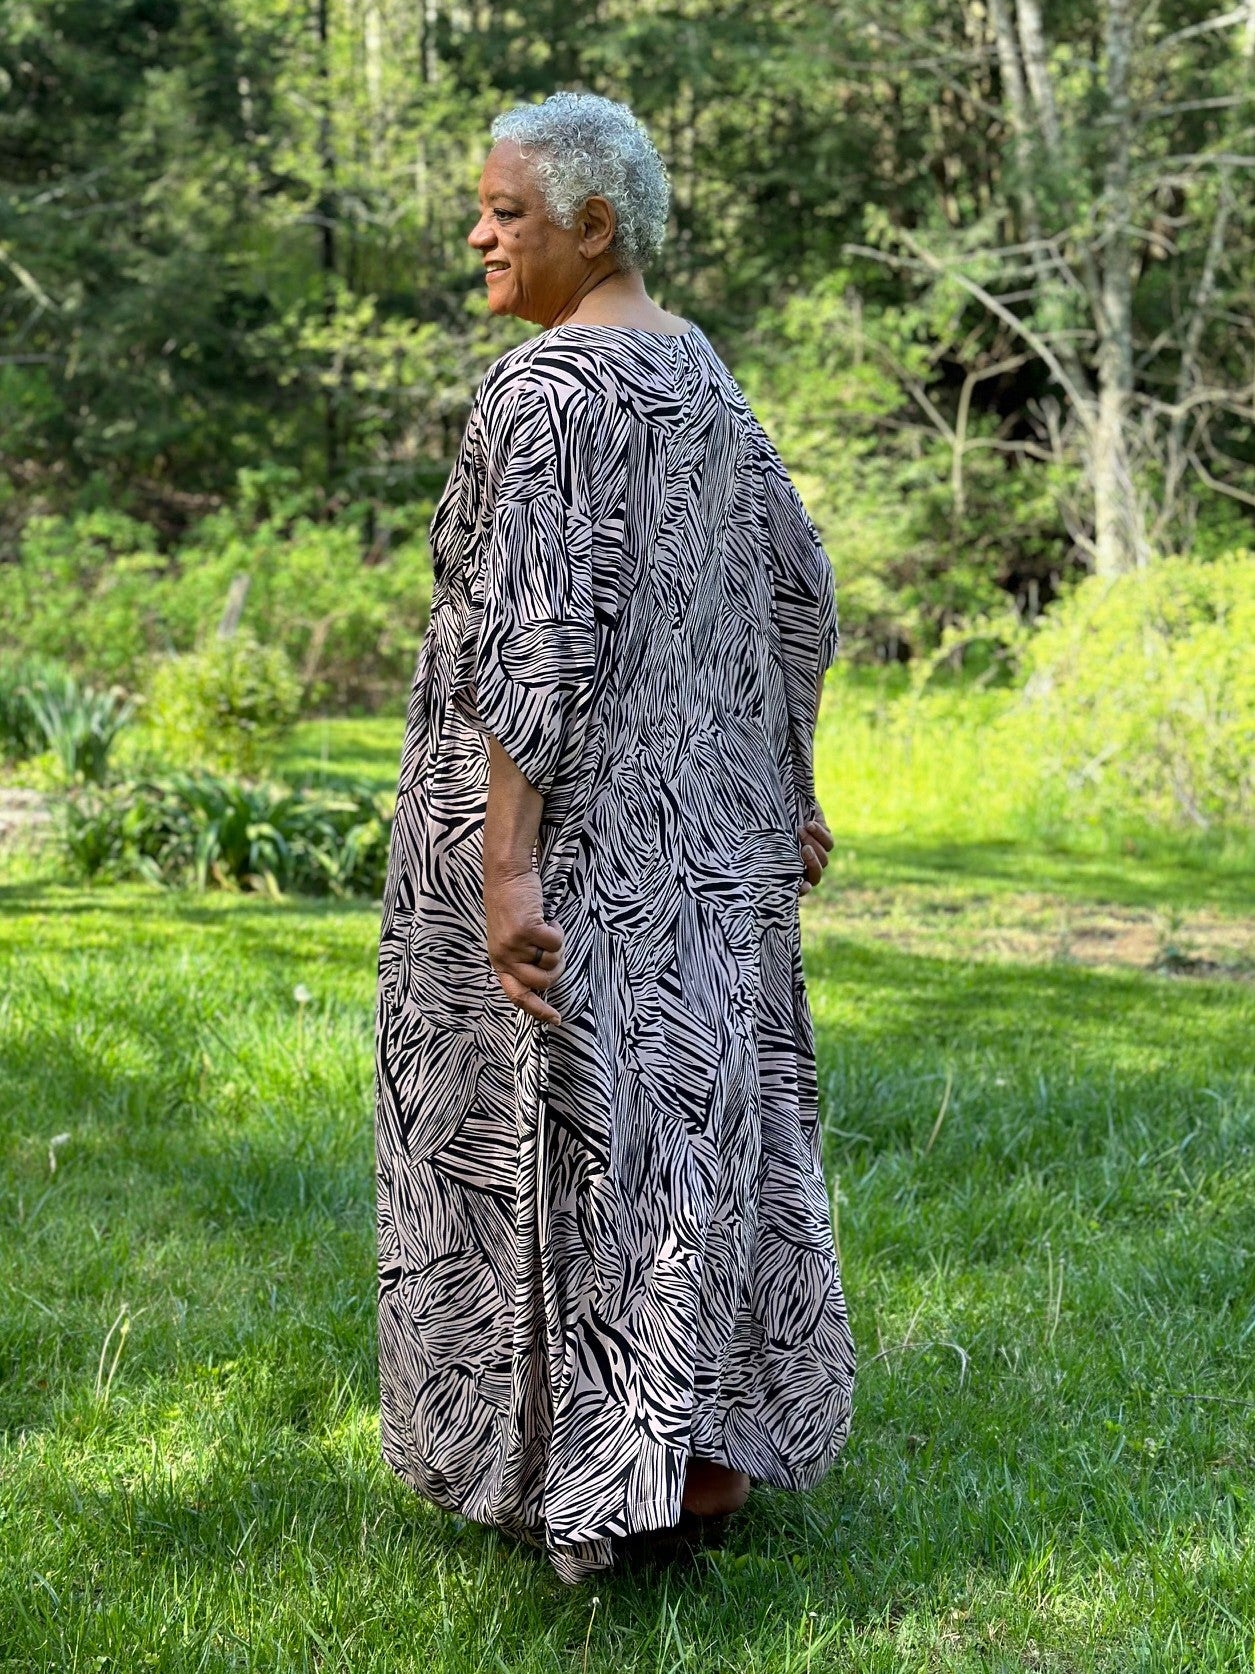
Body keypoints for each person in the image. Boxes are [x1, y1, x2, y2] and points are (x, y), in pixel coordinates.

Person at [373, 90, 855, 1584]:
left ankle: (589, 1481)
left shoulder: (547, 393)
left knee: (550, 1141)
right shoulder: (699, 371)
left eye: (507, 211)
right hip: (704, 838)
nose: (478, 235)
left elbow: (531, 639)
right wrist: (793, 783)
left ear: (595, 223)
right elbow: (797, 586)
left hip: (568, 838)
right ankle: (696, 1462)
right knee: (692, 1140)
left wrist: (505, 861)